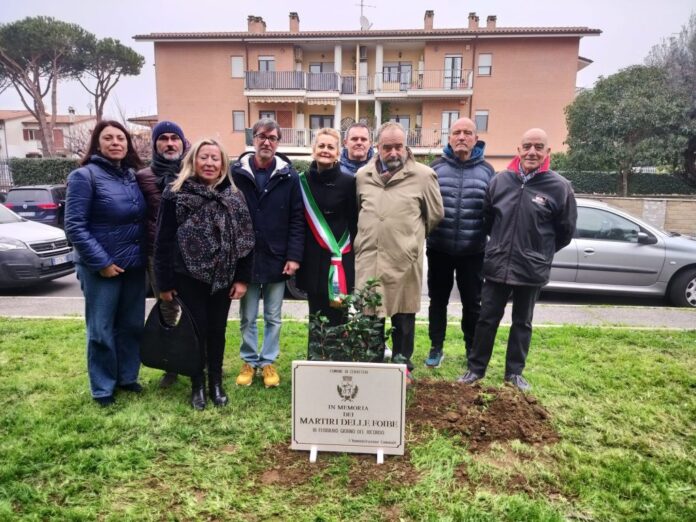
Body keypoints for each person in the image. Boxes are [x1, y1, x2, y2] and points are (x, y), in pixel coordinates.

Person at [458, 128, 577, 392]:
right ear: (519, 150)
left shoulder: (560, 188)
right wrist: (501, 245)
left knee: (522, 322)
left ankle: (514, 373)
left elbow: (565, 232)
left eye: (538, 147)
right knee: (486, 320)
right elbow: (488, 219)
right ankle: (475, 369)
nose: (532, 152)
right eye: (527, 146)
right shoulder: (500, 181)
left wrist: (539, 252)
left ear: (548, 152)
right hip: (497, 265)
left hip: (531, 268)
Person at [154, 138, 255, 410]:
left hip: (223, 277)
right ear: (193, 161)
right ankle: (197, 384)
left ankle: (216, 384)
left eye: (215, 158)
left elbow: (247, 239)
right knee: (195, 331)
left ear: (223, 164)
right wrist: (164, 283)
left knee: (217, 330)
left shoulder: (234, 196)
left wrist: (242, 278)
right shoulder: (175, 194)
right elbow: (162, 241)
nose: (209, 163)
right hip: (187, 276)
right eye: (204, 157)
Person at [354, 122, 444, 384]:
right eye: (387, 147)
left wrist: (408, 241)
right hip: (370, 259)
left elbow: (435, 215)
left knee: (403, 318)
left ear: (406, 147)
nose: (393, 152)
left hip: (404, 261)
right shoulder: (362, 176)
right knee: (370, 316)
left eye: (398, 146)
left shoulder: (424, 176)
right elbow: (359, 210)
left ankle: (402, 369)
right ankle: (371, 368)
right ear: (377, 147)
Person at [65, 120, 147, 407]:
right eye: (108, 138)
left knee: (131, 325)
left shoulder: (131, 177)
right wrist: (101, 262)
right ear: (97, 144)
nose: (115, 143)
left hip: (133, 266)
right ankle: (102, 388)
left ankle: (127, 377)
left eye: (121, 138)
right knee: (101, 330)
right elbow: (74, 226)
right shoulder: (83, 176)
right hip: (101, 268)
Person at [230, 119, 304, 388]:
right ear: (254, 138)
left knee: (273, 316)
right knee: (248, 316)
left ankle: (268, 361)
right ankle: (249, 361)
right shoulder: (235, 173)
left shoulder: (289, 176)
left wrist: (294, 256)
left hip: (277, 257)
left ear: (278, 142)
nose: (267, 142)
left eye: (272, 138)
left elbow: (297, 218)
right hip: (247, 258)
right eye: (262, 136)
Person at [424, 118, 495, 368]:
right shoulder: (435, 168)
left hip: (473, 251)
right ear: (450, 138)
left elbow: (492, 211)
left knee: (472, 304)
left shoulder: (488, 171)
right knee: (437, 301)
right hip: (439, 248)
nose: (461, 137)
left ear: (476, 139)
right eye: (456, 132)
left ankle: (471, 349)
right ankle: (436, 347)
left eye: (467, 133)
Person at [135, 120, 187, 389]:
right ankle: (171, 366)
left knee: (195, 309)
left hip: (192, 255)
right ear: (155, 144)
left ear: (182, 143)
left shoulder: (194, 172)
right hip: (159, 255)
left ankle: (198, 358)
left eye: (174, 138)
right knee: (167, 309)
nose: (169, 143)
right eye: (163, 138)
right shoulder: (142, 177)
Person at [295, 128, 357, 354]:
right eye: (321, 146)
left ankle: (338, 357)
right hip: (313, 259)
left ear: (338, 152)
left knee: (339, 312)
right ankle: (315, 356)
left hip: (340, 258)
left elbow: (354, 221)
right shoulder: (301, 182)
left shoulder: (349, 182)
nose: (325, 150)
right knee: (316, 312)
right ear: (313, 150)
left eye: (331, 147)